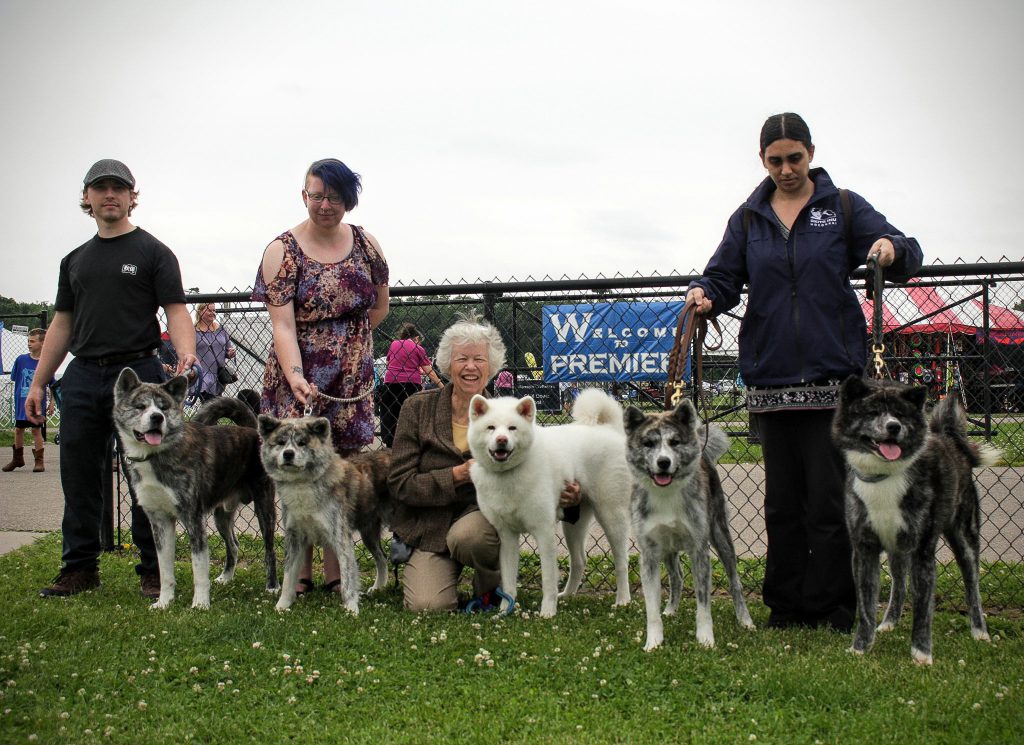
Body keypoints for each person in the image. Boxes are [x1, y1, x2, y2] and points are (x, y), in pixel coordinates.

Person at [686, 113, 923, 631]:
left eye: (795, 158)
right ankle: (787, 606)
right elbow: (724, 274)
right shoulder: (749, 218)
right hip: (771, 382)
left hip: (834, 383)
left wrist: (889, 249)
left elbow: (906, 249)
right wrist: (705, 294)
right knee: (782, 505)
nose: (786, 169)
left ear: (811, 153)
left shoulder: (841, 207)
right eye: (776, 160)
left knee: (829, 501)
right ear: (762, 160)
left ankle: (833, 606)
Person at [27, 159, 198, 598]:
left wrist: (187, 354)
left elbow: (176, 310)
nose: (109, 195)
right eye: (100, 188)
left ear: (131, 197)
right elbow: (62, 324)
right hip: (83, 375)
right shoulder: (75, 261)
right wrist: (39, 382)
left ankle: (153, 570)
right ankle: (79, 568)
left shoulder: (153, 252)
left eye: (117, 188)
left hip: (140, 375)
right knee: (79, 474)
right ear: (87, 197)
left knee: (149, 475)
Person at [253, 157, 389, 596]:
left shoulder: (367, 245)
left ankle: (337, 571)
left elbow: (380, 307)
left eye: (333, 197)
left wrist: (354, 349)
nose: (324, 204)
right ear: (303, 195)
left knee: (340, 471)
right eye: (316, 195)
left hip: (351, 381)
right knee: (295, 471)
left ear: (348, 200)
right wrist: (295, 375)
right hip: (298, 376)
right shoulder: (282, 250)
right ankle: (300, 572)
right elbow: (283, 326)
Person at [388, 312, 581, 612]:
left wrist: (564, 494)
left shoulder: (509, 415)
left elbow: (540, 469)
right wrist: (456, 475)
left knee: (472, 537)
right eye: (461, 358)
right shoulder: (416, 409)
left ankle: (489, 587)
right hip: (429, 527)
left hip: (480, 521)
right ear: (446, 364)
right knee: (427, 605)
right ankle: (445, 576)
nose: (470, 367)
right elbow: (400, 484)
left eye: (478, 359)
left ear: (491, 367)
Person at [379, 323, 442, 447]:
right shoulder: (418, 348)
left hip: (391, 382)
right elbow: (429, 371)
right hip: (410, 384)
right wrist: (441, 385)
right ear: (417, 338)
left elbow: (388, 364)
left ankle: (390, 442)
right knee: (412, 413)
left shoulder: (394, 344)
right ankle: (412, 441)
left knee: (390, 413)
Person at [3, 328, 55, 473]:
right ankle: (17, 459)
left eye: (32, 341)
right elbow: (15, 379)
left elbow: (52, 385)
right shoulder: (21, 360)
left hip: (36, 404)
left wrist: (52, 403)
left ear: (42, 343)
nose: (29, 344)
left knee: (36, 430)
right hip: (21, 403)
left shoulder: (46, 362)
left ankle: (39, 461)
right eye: (28, 341)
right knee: (19, 429)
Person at [191, 302, 236, 402]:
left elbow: (228, 349)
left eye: (214, 310)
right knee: (209, 403)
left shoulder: (221, 329)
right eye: (209, 310)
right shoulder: (193, 331)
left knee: (215, 406)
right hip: (203, 374)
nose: (213, 313)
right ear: (200, 311)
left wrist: (231, 353)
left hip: (219, 374)